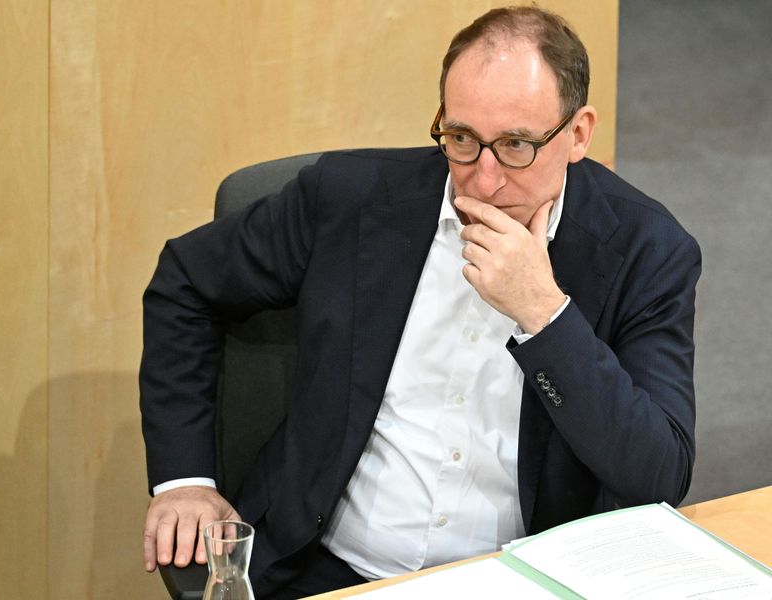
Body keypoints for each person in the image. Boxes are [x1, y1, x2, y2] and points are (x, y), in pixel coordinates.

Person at [140, 6, 701, 598]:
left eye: (516, 145)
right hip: (322, 570)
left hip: (514, 581)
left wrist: (544, 314)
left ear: (578, 134)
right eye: (461, 139)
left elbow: (657, 475)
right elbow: (186, 280)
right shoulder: (349, 198)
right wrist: (185, 481)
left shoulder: (647, 251)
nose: (483, 180)